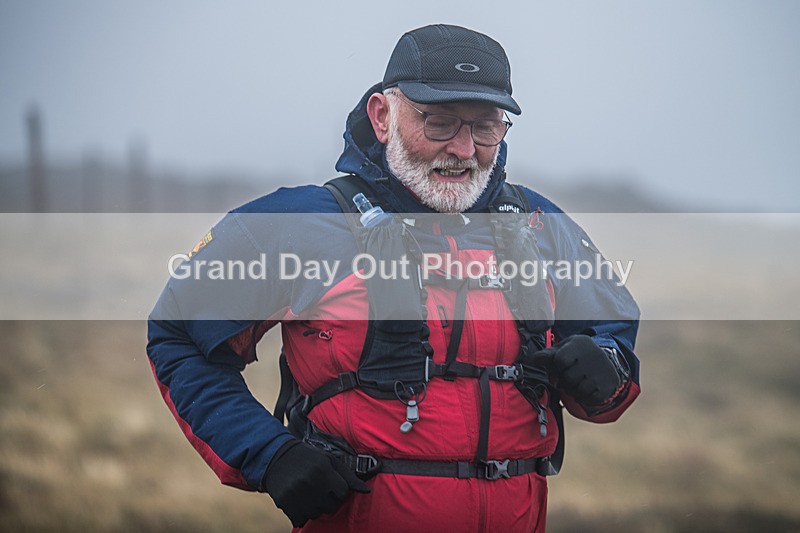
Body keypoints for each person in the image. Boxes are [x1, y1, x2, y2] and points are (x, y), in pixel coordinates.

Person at [147, 24, 641, 532]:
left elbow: (614, 346)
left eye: (487, 126)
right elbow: (177, 334)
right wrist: (269, 453)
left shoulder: (542, 227)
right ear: (382, 116)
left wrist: (607, 365)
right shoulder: (297, 225)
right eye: (440, 122)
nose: (465, 149)